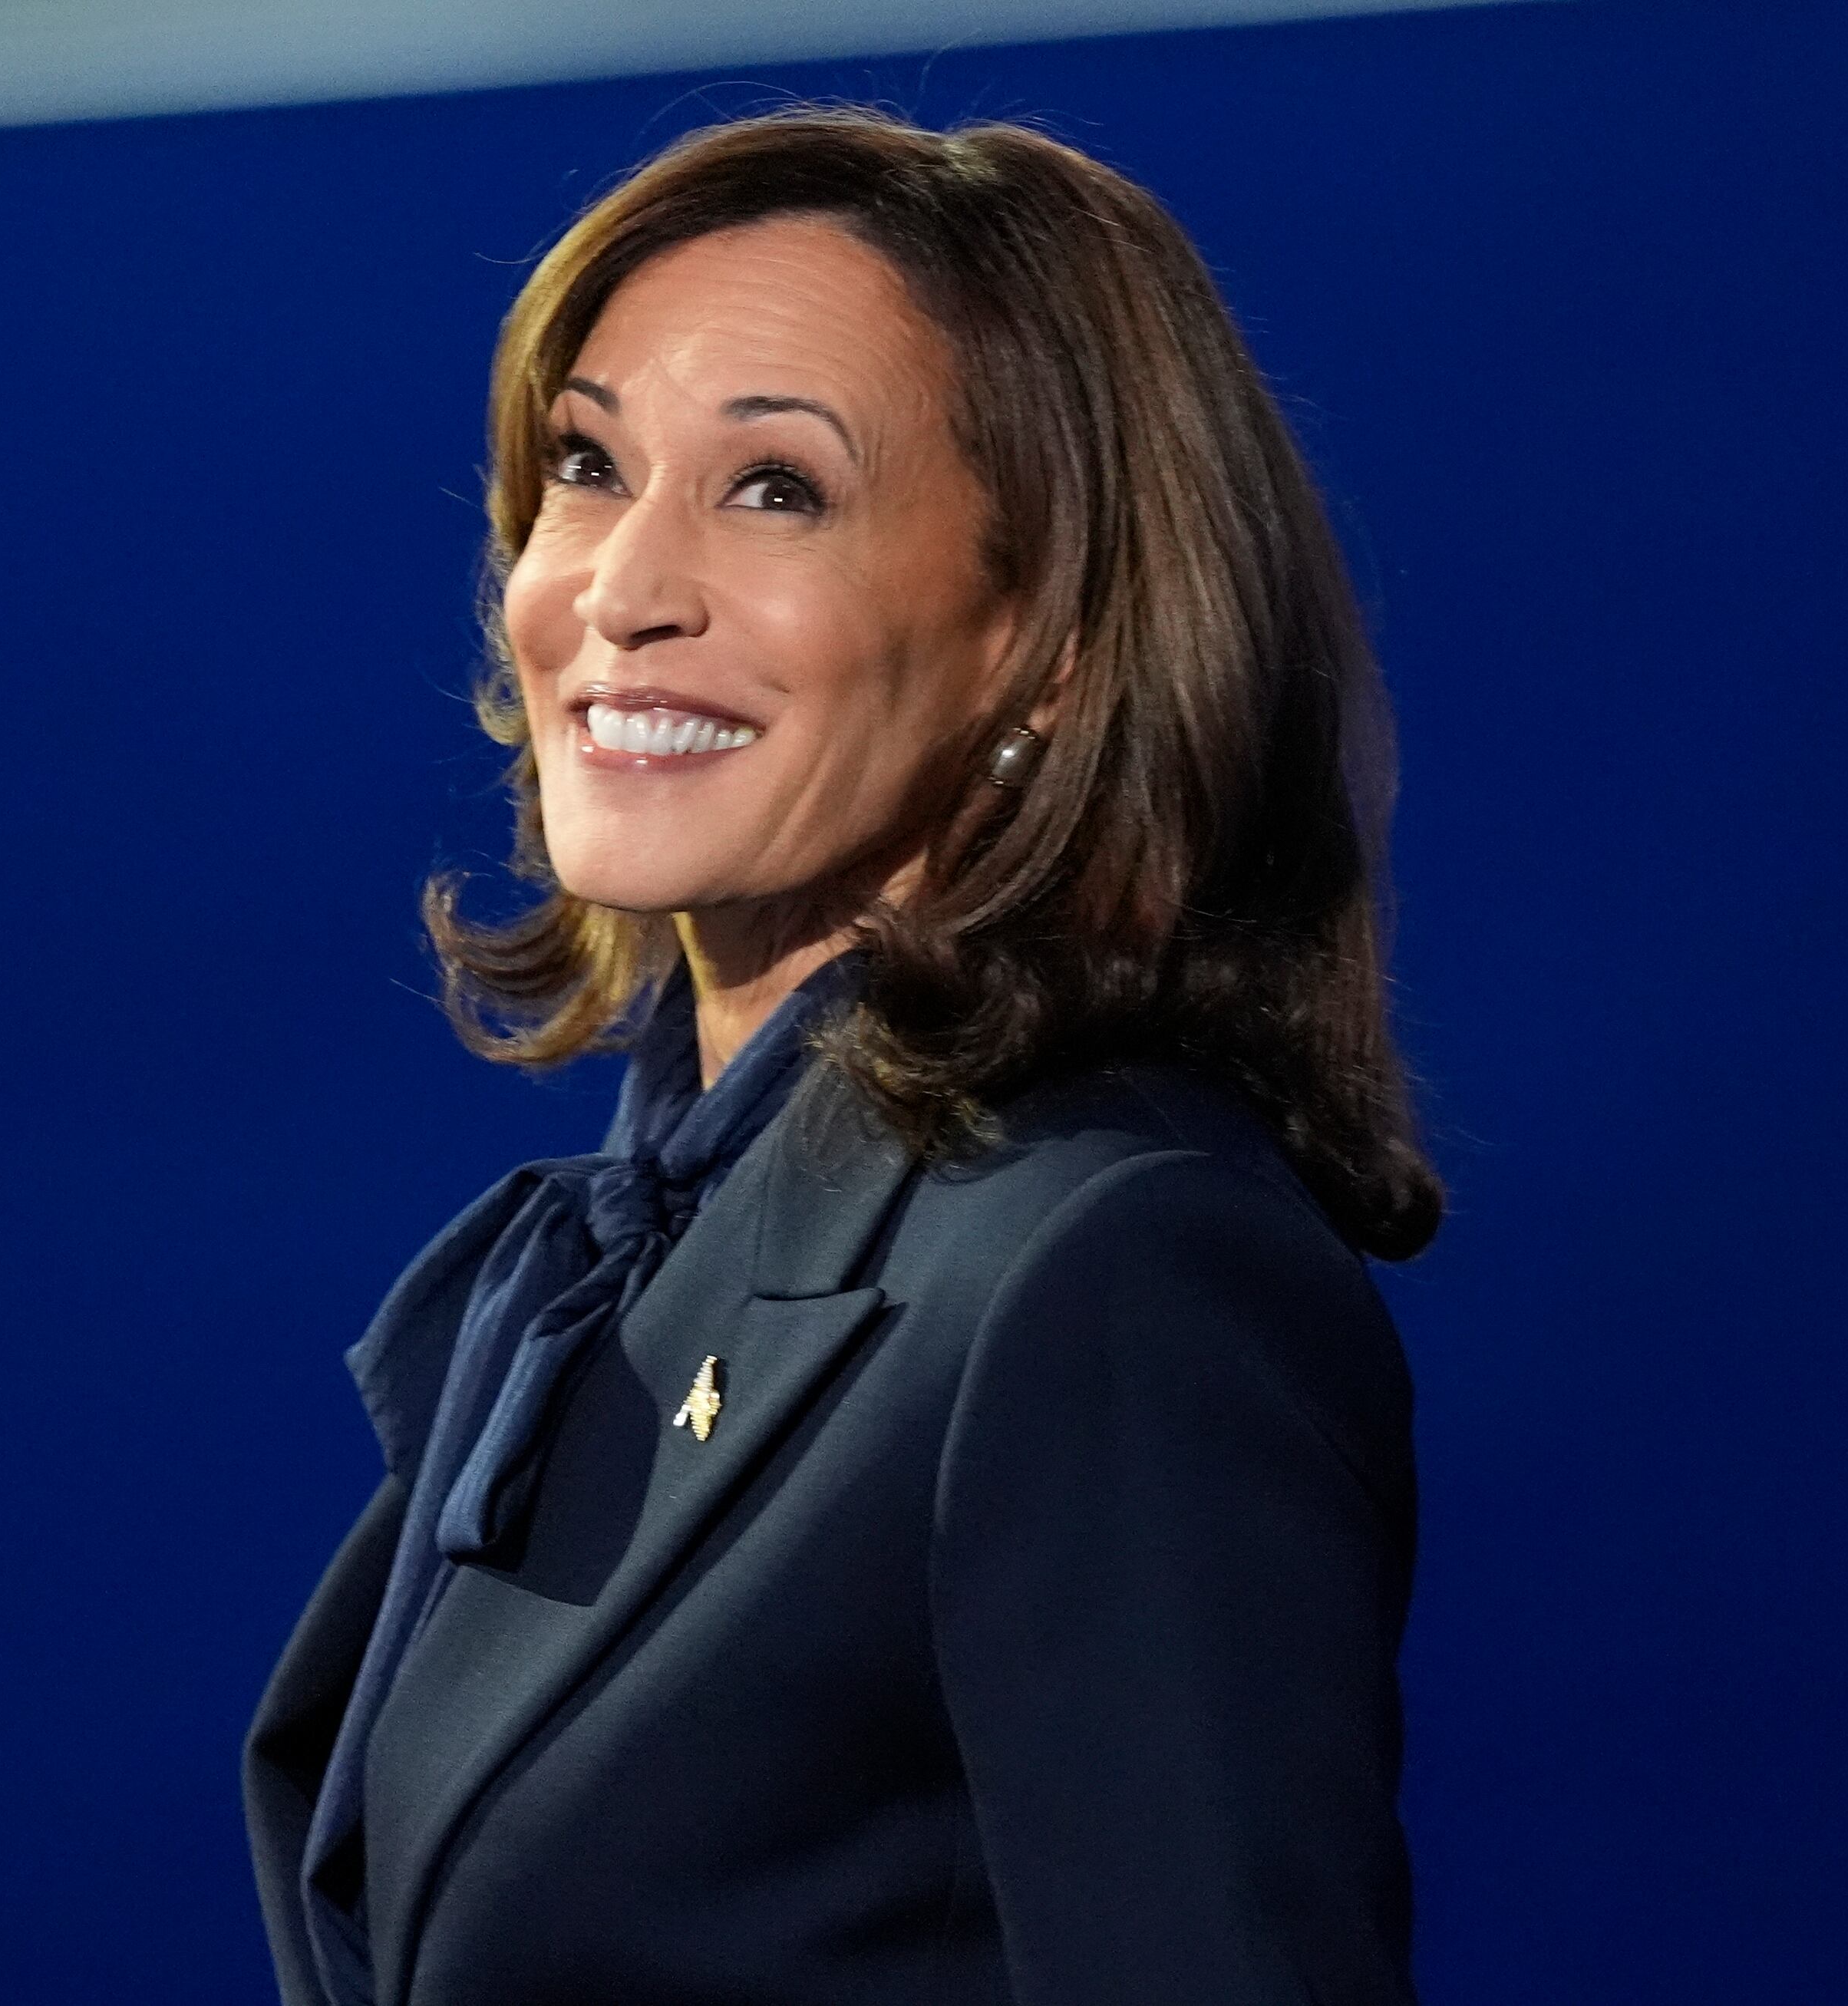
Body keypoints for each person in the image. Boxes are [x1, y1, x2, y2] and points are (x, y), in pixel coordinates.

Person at [243, 107, 1440, 2006]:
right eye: (585, 464)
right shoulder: (630, 1262)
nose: (619, 586)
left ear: (1039, 638)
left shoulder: (1104, 1268)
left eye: (774, 489)